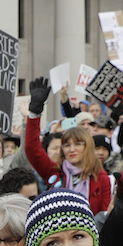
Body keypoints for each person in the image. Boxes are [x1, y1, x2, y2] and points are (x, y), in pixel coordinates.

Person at [24, 78, 113, 214]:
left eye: (78, 144)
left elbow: (104, 217)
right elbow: (32, 149)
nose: (71, 149)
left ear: (87, 147)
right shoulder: (55, 172)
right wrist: (35, 113)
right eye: (66, 145)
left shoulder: (101, 178)